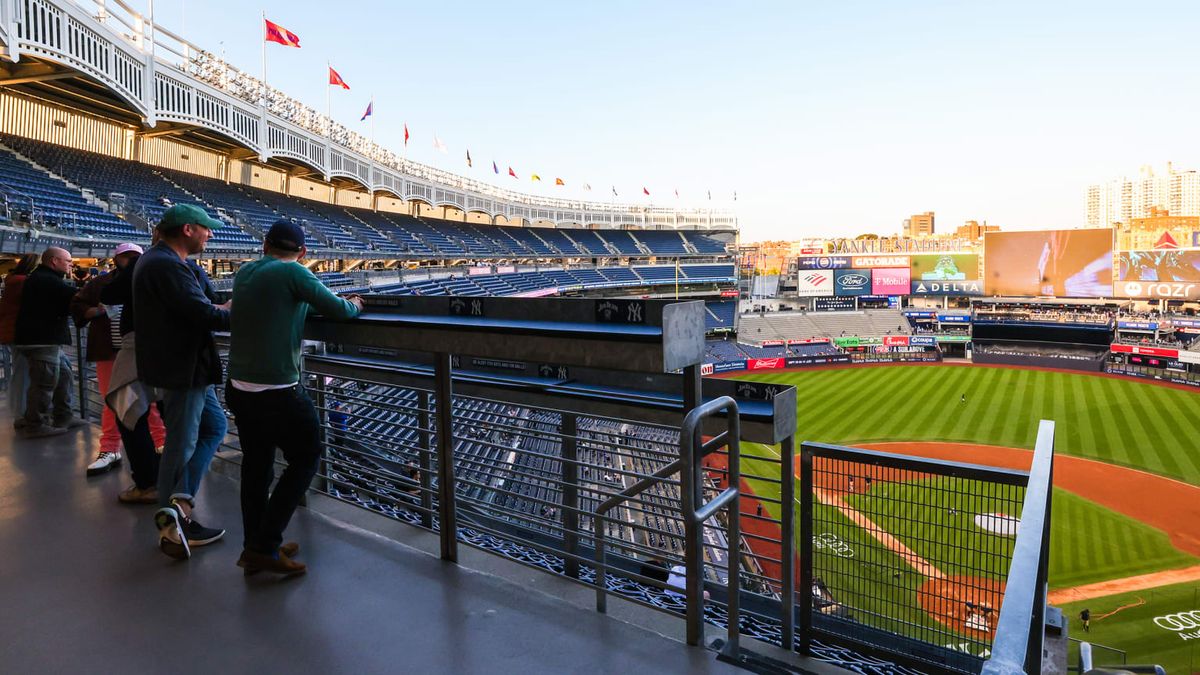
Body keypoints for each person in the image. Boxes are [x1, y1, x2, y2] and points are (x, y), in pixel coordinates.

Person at [225, 219, 361, 576]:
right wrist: (357, 303)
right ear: (302, 252)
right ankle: (265, 544)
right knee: (306, 457)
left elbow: (288, 306)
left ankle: (254, 545)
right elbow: (340, 310)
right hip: (277, 390)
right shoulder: (295, 273)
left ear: (265, 244)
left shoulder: (246, 273)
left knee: (256, 467)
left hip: (239, 387)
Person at [134, 204, 231, 560]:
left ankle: (180, 500)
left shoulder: (164, 262)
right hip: (181, 369)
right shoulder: (165, 265)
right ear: (188, 229)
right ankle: (171, 526)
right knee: (181, 441)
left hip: (184, 367)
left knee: (213, 426)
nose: (211, 235)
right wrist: (233, 310)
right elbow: (205, 314)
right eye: (207, 229)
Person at [100, 242, 169, 504]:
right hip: (167, 351)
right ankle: (169, 478)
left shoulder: (146, 264)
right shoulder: (182, 265)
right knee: (168, 412)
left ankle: (148, 482)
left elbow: (109, 294)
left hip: (141, 348)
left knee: (128, 413)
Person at [71, 244, 144, 476]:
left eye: (135, 257)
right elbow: (77, 304)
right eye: (126, 257)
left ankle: (158, 442)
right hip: (109, 350)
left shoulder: (148, 280)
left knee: (149, 401)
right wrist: (95, 311)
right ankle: (110, 448)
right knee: (111, 401)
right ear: (116, 258)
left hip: (139, 350)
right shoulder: (100, 283)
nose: (131, 261)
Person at [13, 247, 87, 437]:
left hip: (44, 339)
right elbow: (77, 296)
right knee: (44, 382)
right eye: (68, 261)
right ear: (54, 261)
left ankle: (63, 415)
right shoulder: (46, 280)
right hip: (41, 339)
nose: (71, 264)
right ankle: (35, 423)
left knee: (64, 375)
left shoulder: (43, 278)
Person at [0, 253, 40, 418]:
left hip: (11, 330)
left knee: (20, 371)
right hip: (18, 332)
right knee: (23, 373)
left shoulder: (12, 281)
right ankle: (21, 412)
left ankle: (20, 409)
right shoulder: (23, 283)